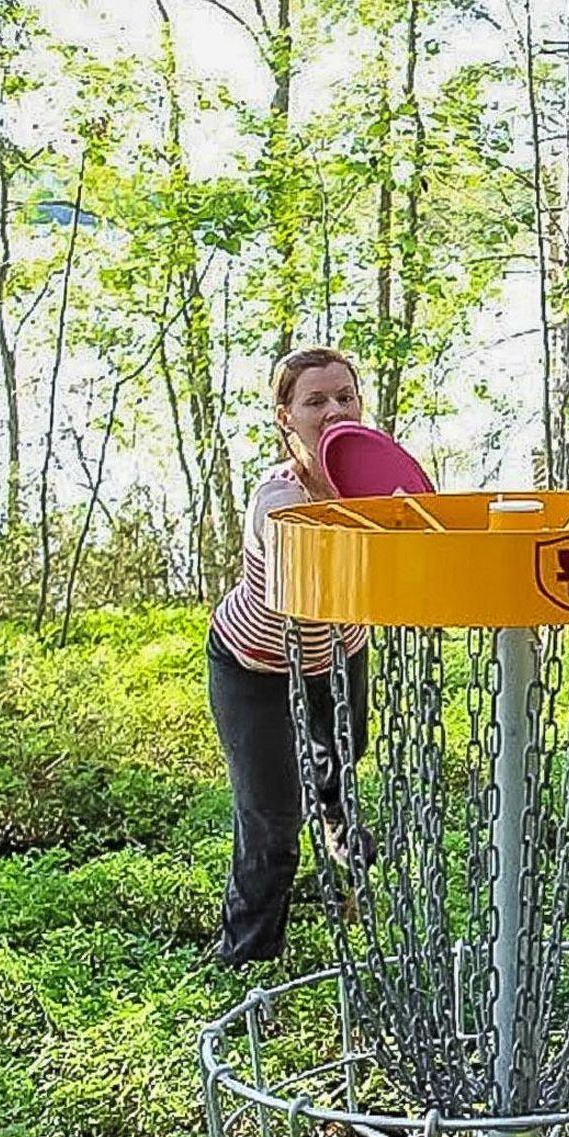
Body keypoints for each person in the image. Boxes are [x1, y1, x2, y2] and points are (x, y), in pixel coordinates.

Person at [207, 347, 374, 968]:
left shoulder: (379, 485)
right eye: (315, 401)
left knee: (347, 750)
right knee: (272, 818)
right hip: (255, 668)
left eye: (345, 396)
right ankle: (245, 960)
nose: (334, 410)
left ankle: (333, 811)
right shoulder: (276, 499)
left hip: (338, 655)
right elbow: (306, 587)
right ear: (285, 416)